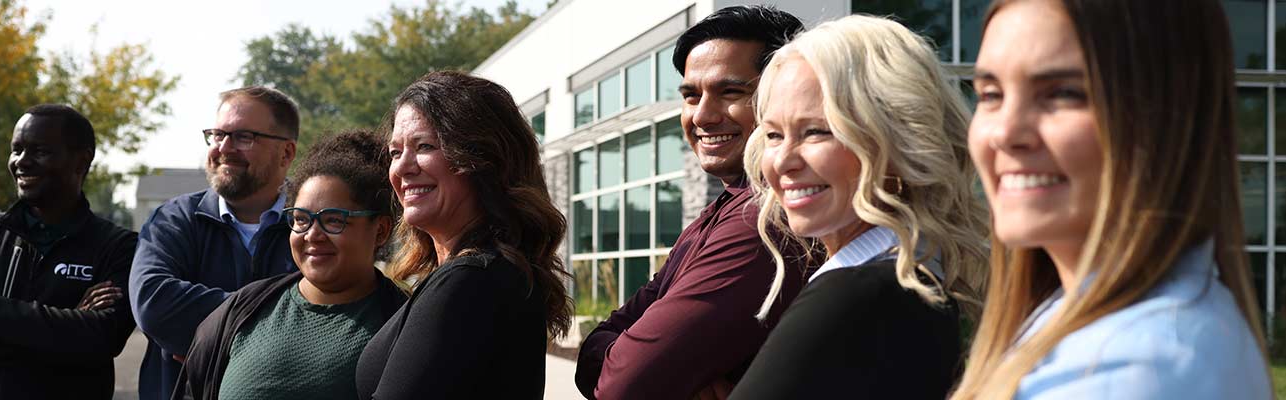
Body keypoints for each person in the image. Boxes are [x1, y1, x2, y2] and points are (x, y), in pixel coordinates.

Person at [949, 0, 1273, 398]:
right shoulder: (1098, 328)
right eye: (990, 94)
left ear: (1164, 117)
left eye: (1063, 93)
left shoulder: (1136, 371)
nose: (1005, 132)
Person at [725, 15, 989, 399]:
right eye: (773, 134)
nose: (782, 161)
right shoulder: (921, 278)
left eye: (817, 131)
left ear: (897, 138)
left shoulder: (859, 294)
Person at [575, 5, 812, 400]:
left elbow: (622, 385)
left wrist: (623, 360)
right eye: (690, 95)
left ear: (784, 97)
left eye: (730, 91)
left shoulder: (765, 220)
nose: (702, 115)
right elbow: (596, 360)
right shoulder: (724, 208)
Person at [354, 70, 570, 399]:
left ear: (482, 160)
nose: (402, 167)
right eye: (395, 152)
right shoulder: (484, 274)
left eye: (424, 146)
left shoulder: (470, 282)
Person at [0, 104, 138, 399]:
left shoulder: (119, 247)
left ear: (81, 161)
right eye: (16, 149)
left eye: (40, 151)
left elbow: (103, 338)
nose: (22, 161)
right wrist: (68, 327)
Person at [174, 130, 407, 400]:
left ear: (380, 230)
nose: (312, 234)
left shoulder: (404, 326)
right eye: (301, 219)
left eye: (333, 220)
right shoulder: (242, 311)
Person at [129, 86, 301, 400]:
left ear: (286, 153)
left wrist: (206, 341)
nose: (224, 148)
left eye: (243, 137)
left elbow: (332, 321)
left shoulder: (311, 229)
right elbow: (154, 304)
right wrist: (281, 320)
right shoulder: (173, 220)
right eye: (217, 135)